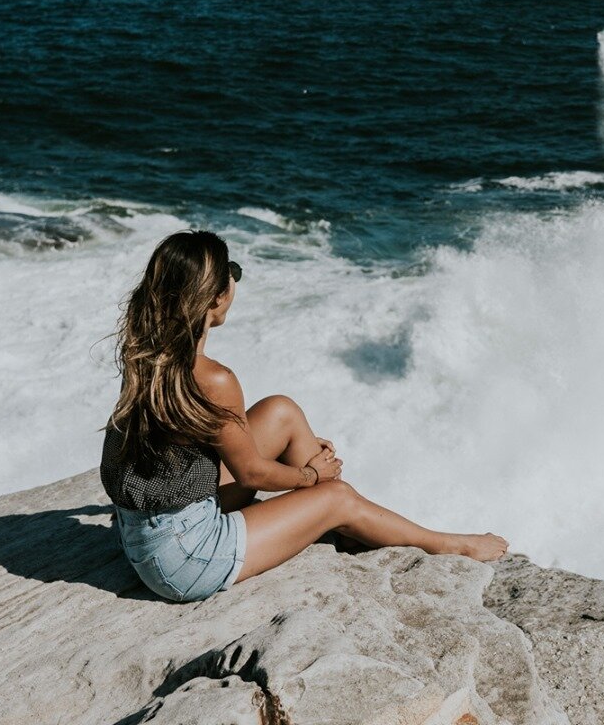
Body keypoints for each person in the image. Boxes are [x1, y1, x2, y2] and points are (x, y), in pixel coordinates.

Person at [98, 229, 508, 603]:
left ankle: (343, 526)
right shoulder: (214, 379)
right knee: (337, 496)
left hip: (149, 534)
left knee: (281, 412)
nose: (234, 281)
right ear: (215, 297)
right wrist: (314, 477)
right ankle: (439, 543)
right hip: (185, 560)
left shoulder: (146, 353)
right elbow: (252, 476)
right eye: (230, 273)